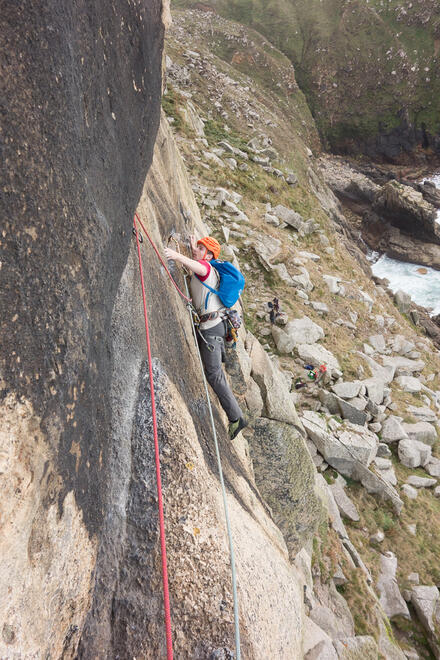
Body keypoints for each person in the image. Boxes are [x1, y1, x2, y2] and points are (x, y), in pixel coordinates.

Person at [164, 235, 247, 440]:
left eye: (202, 249)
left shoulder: (207, 269)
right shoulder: (208, 269)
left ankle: (237, 417)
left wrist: (176, 255)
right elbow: (198, 267)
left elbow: (200, 268)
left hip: (212, 328)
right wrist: (193, 250)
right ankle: (235, 415)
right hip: (213, 327)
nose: (197, 251)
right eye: (198, 248)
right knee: (212, 371)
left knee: (213, 374)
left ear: (209, 255)